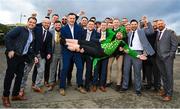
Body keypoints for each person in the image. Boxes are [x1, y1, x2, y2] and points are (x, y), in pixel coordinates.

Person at [2, 17, 37, 107]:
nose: (31, 24)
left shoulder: (32, 33)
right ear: (27, 22)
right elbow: (8, 37)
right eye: (30, 22)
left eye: (33, 23)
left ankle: (15, 95)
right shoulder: (20, 29)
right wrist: (10, 49)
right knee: (10, 75)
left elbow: (29, 47)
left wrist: (34, 57)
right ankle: (5, 96)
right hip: (13, 55)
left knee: (20, 76)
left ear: (35, 24)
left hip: (22, 57)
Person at [120, 19, 155, 96]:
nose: (133, 25)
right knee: (126, 71)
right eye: (132, 24)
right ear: (130, 25)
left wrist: (147, 22)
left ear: (137, 25)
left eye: (135, 24)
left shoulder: (142, 31)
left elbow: (151, 31)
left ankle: (138, 89)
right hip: (128, 53)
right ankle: (124, 86)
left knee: (137, 72)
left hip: (138, 53)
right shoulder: (128, 33)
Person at [59, 13, 86, 96]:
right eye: (70, 18)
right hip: (67, 51)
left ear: (75, 19)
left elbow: (82, 39)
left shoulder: (79, 28)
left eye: (73, 18)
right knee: (65, 68)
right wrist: (68, 47)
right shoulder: (63, 29)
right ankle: (62, 87)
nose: (72, 20)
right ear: (67, 19)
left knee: (80, 68)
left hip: (77, 52)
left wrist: (80, 47)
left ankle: (79, 85)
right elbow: (62, 41)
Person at [156, 19, 178, 101]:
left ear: (164, 24)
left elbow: (174, 44)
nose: (160, 25)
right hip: (159, 58)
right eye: (159, 24)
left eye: (161, 23)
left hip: (168, 58)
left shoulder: (170, 32)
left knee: (169, 76)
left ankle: (169, 94)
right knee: (163, 76)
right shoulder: (158, 33)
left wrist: (171, 55)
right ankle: (165, 90)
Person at [32, 18, 52, 93]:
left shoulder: (49, 34)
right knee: (26, 71)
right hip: (32, 53)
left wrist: (49, 53)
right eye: (45, 23)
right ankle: (21, 88)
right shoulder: (36, 29)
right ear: (42, 23)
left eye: (48, 23)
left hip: (42, 55)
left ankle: (37, 86)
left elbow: (49, 45)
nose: (47, 24)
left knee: (41, 70)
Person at [48, 20, 62, 91]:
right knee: (52, 69)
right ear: (54, 25)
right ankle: (51, 83)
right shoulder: (51, 32)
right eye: (56, 25)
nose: (58, 26)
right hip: (54, 53)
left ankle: (61, 83)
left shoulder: (64, 32)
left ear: (61, 25)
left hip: (62, 54)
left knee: (62, 69)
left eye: (59, 25)